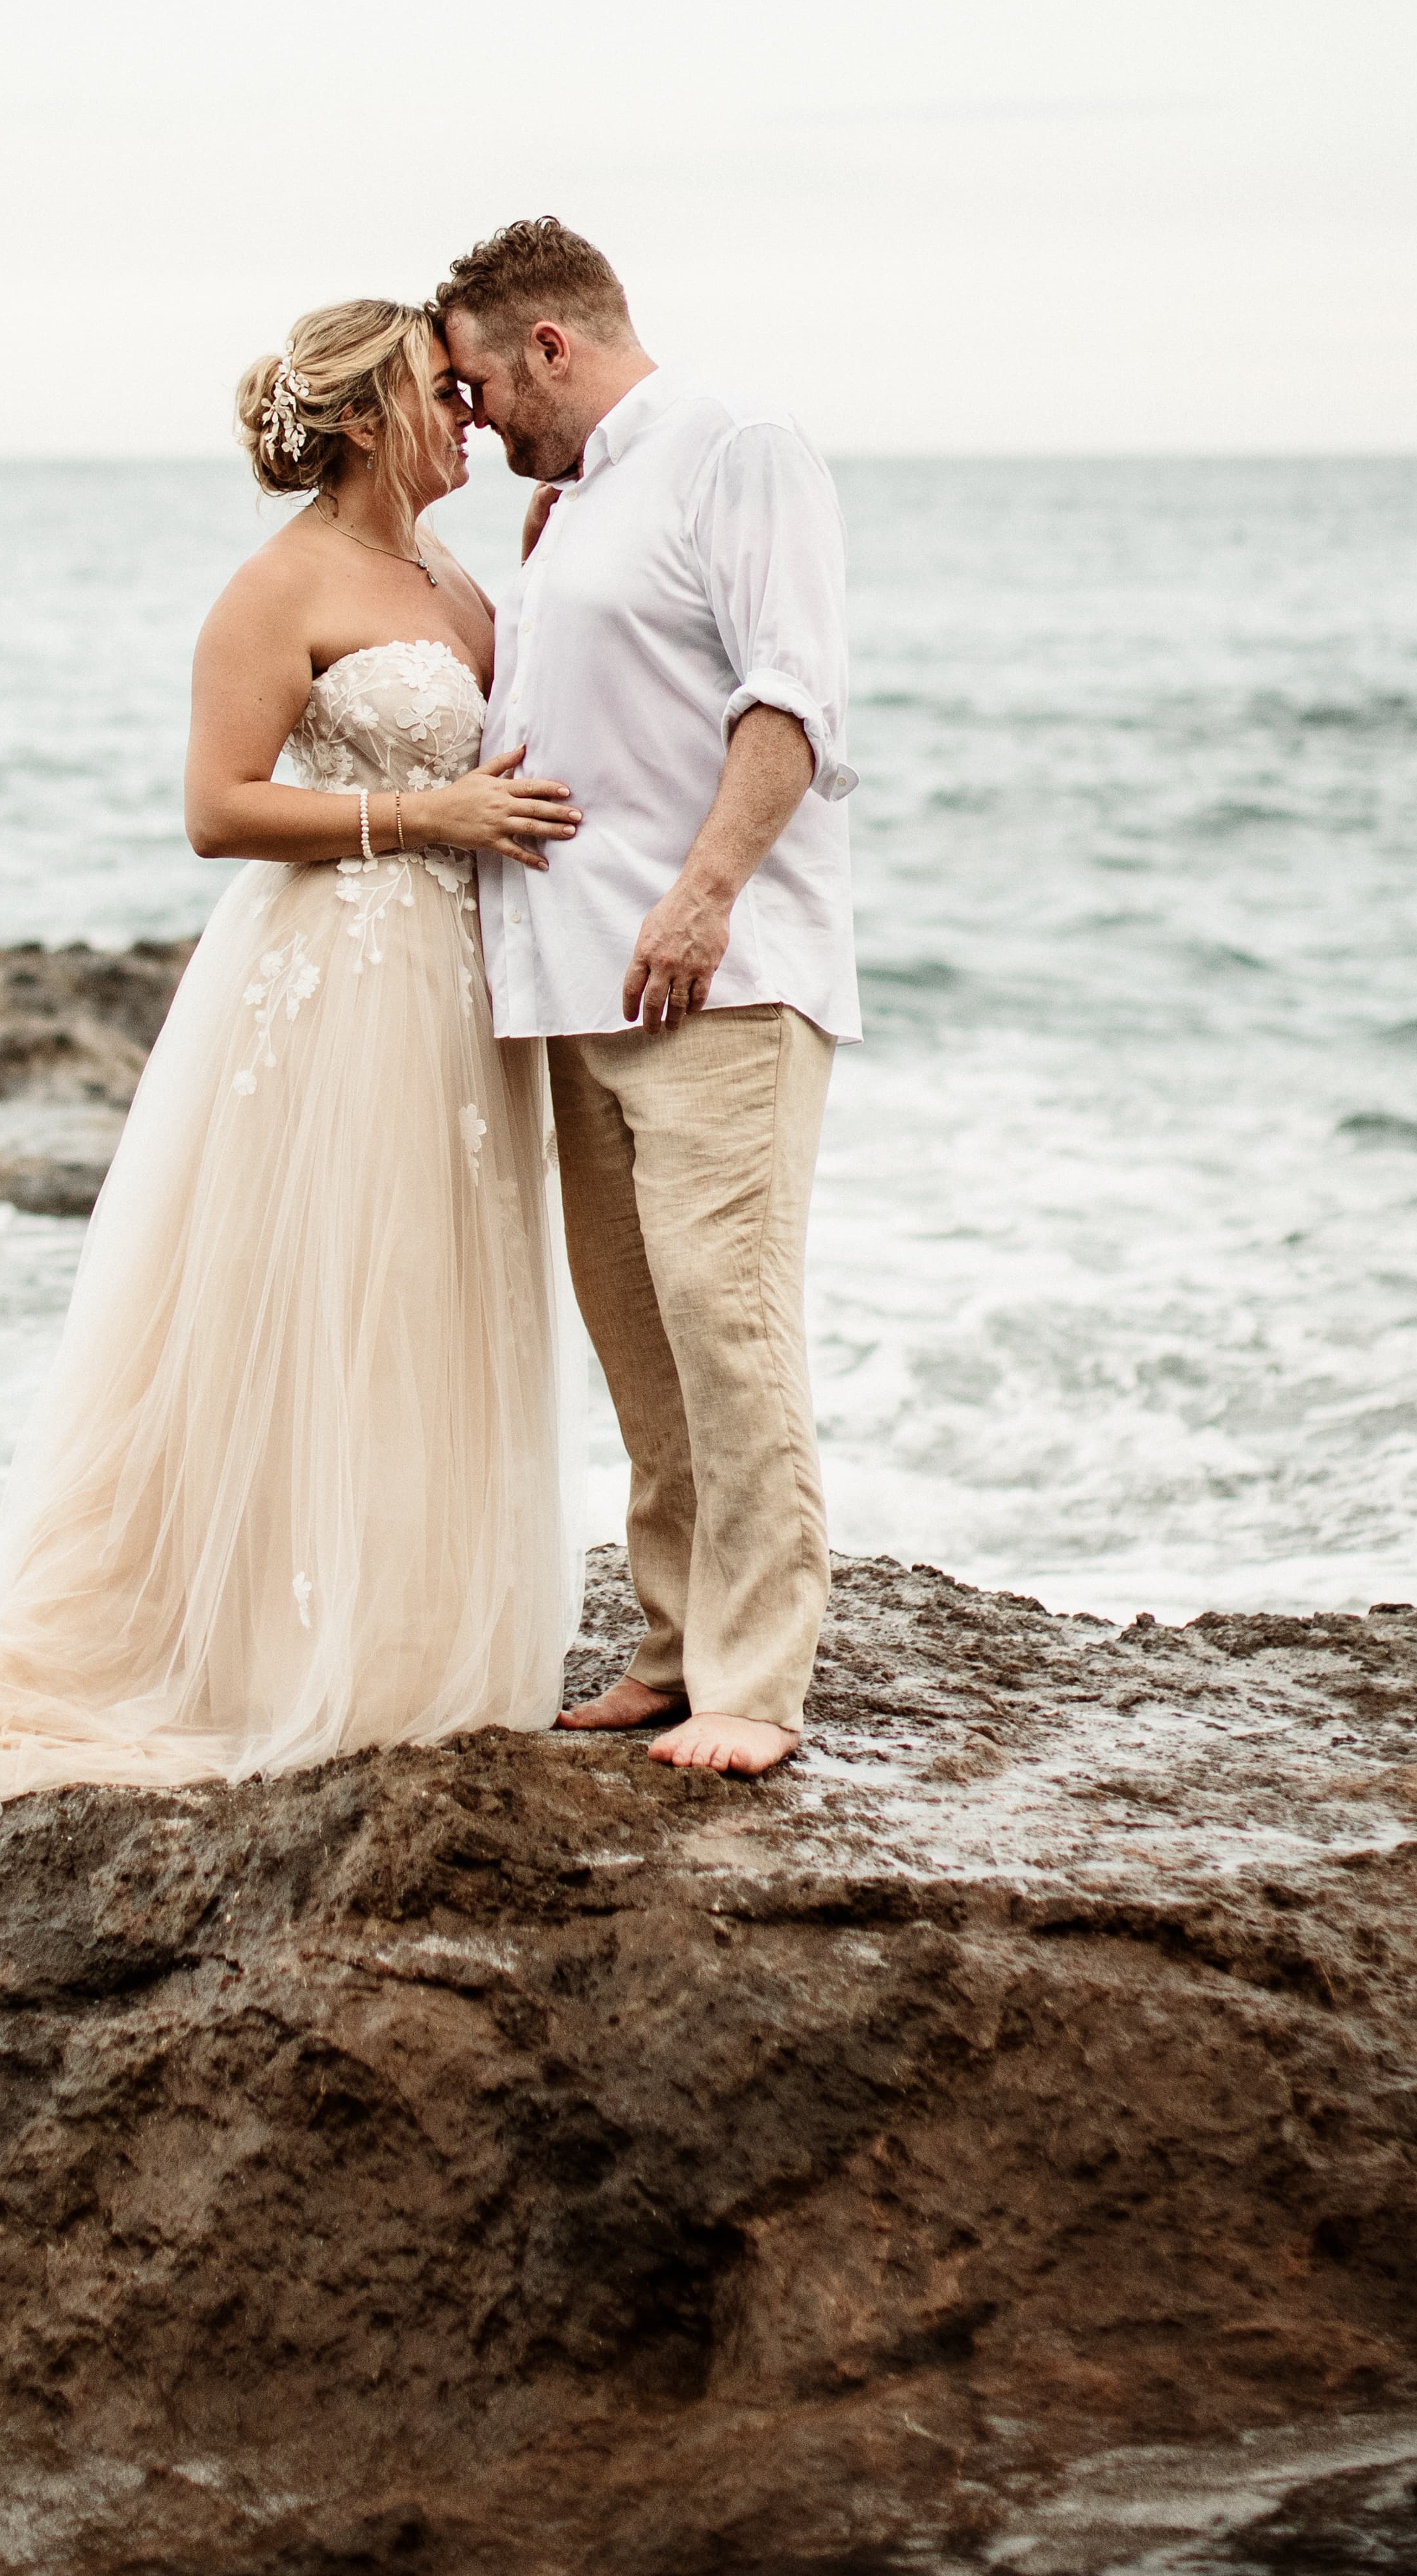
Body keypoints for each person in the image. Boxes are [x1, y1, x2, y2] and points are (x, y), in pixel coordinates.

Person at [0, 298, 583, 1856]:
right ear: (366, 415)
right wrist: (421, 817)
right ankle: (255, 1645)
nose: (471, 412)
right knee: (321, 1290)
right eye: (443, 390)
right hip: (336, 972)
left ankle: (404, 1621)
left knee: (430, 1289)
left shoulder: (458, 574)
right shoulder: (276, 584)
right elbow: (218, 808)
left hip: (458, 978)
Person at [433, 218, 859, 1780]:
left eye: (478, 385)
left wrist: (707, 892)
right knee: (641, 1340)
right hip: (571, 985)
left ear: (551, 342)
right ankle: (675, 1647)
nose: (473, 424)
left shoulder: (732, 448)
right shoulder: (568, 504)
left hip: (717, 981)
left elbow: (792, 691)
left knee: (726, 1321)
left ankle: (757, 1680)